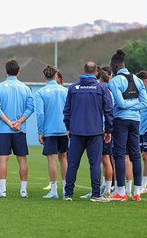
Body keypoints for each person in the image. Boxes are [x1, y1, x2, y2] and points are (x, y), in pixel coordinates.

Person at [63, 62, 113, 202]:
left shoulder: (73, 88)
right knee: (95, 164)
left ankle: (68, 194)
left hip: (76, 131)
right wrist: (108, 130)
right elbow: (108, 111)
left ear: (83, 71)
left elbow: (67, 111)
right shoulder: (102, 88)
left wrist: (68, 127)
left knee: (72, 164)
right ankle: (96, 194)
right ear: (96, 72)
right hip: (95, 132)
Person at [107, 49, 147, 201]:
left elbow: (121, 104)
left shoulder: (115, 81)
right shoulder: (137, 79)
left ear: (115, 66)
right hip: (136, 120)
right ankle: (137, 192)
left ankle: (121, 192)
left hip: (121, 121)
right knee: (136, 155)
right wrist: (134, 103)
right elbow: (143, 103)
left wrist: (127, 104)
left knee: (119, 154)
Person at [0, 60, 34, 198]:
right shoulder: (25, 88)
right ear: (19, 72)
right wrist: (19, 121)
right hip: (19, 129)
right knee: (22, 159)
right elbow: (30, 108)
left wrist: (9, 122)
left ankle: (2, 191)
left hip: (4, 129)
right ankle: (23, 191)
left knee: (3, 159)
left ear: (6, 72)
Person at [36, 65, 68, 199]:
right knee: (63, 159)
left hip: (49, 130)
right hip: (63, 130)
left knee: (52, 160)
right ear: (56, 75)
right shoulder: (65, 91)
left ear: (45, 76)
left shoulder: (41, 92)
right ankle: (67, 189)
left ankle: (54, 191)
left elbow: (40, 114)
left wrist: (40, 131)